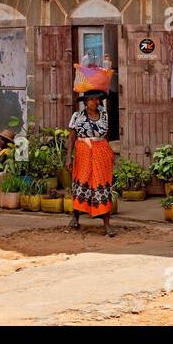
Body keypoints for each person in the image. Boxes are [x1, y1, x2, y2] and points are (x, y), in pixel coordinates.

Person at [66, 87, 115, 236]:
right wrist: (69, 156)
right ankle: (75, 216)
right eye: (92, 99)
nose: (96, 101)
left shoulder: (104, 116)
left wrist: (109, 155)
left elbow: (105, 137)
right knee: (81, 182)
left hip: (101, 153)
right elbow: (72, 137)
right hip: (83, 152)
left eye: (97, 99)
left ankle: (106, 224)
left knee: (102, 186)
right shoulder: (77, 116)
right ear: (86, 102)